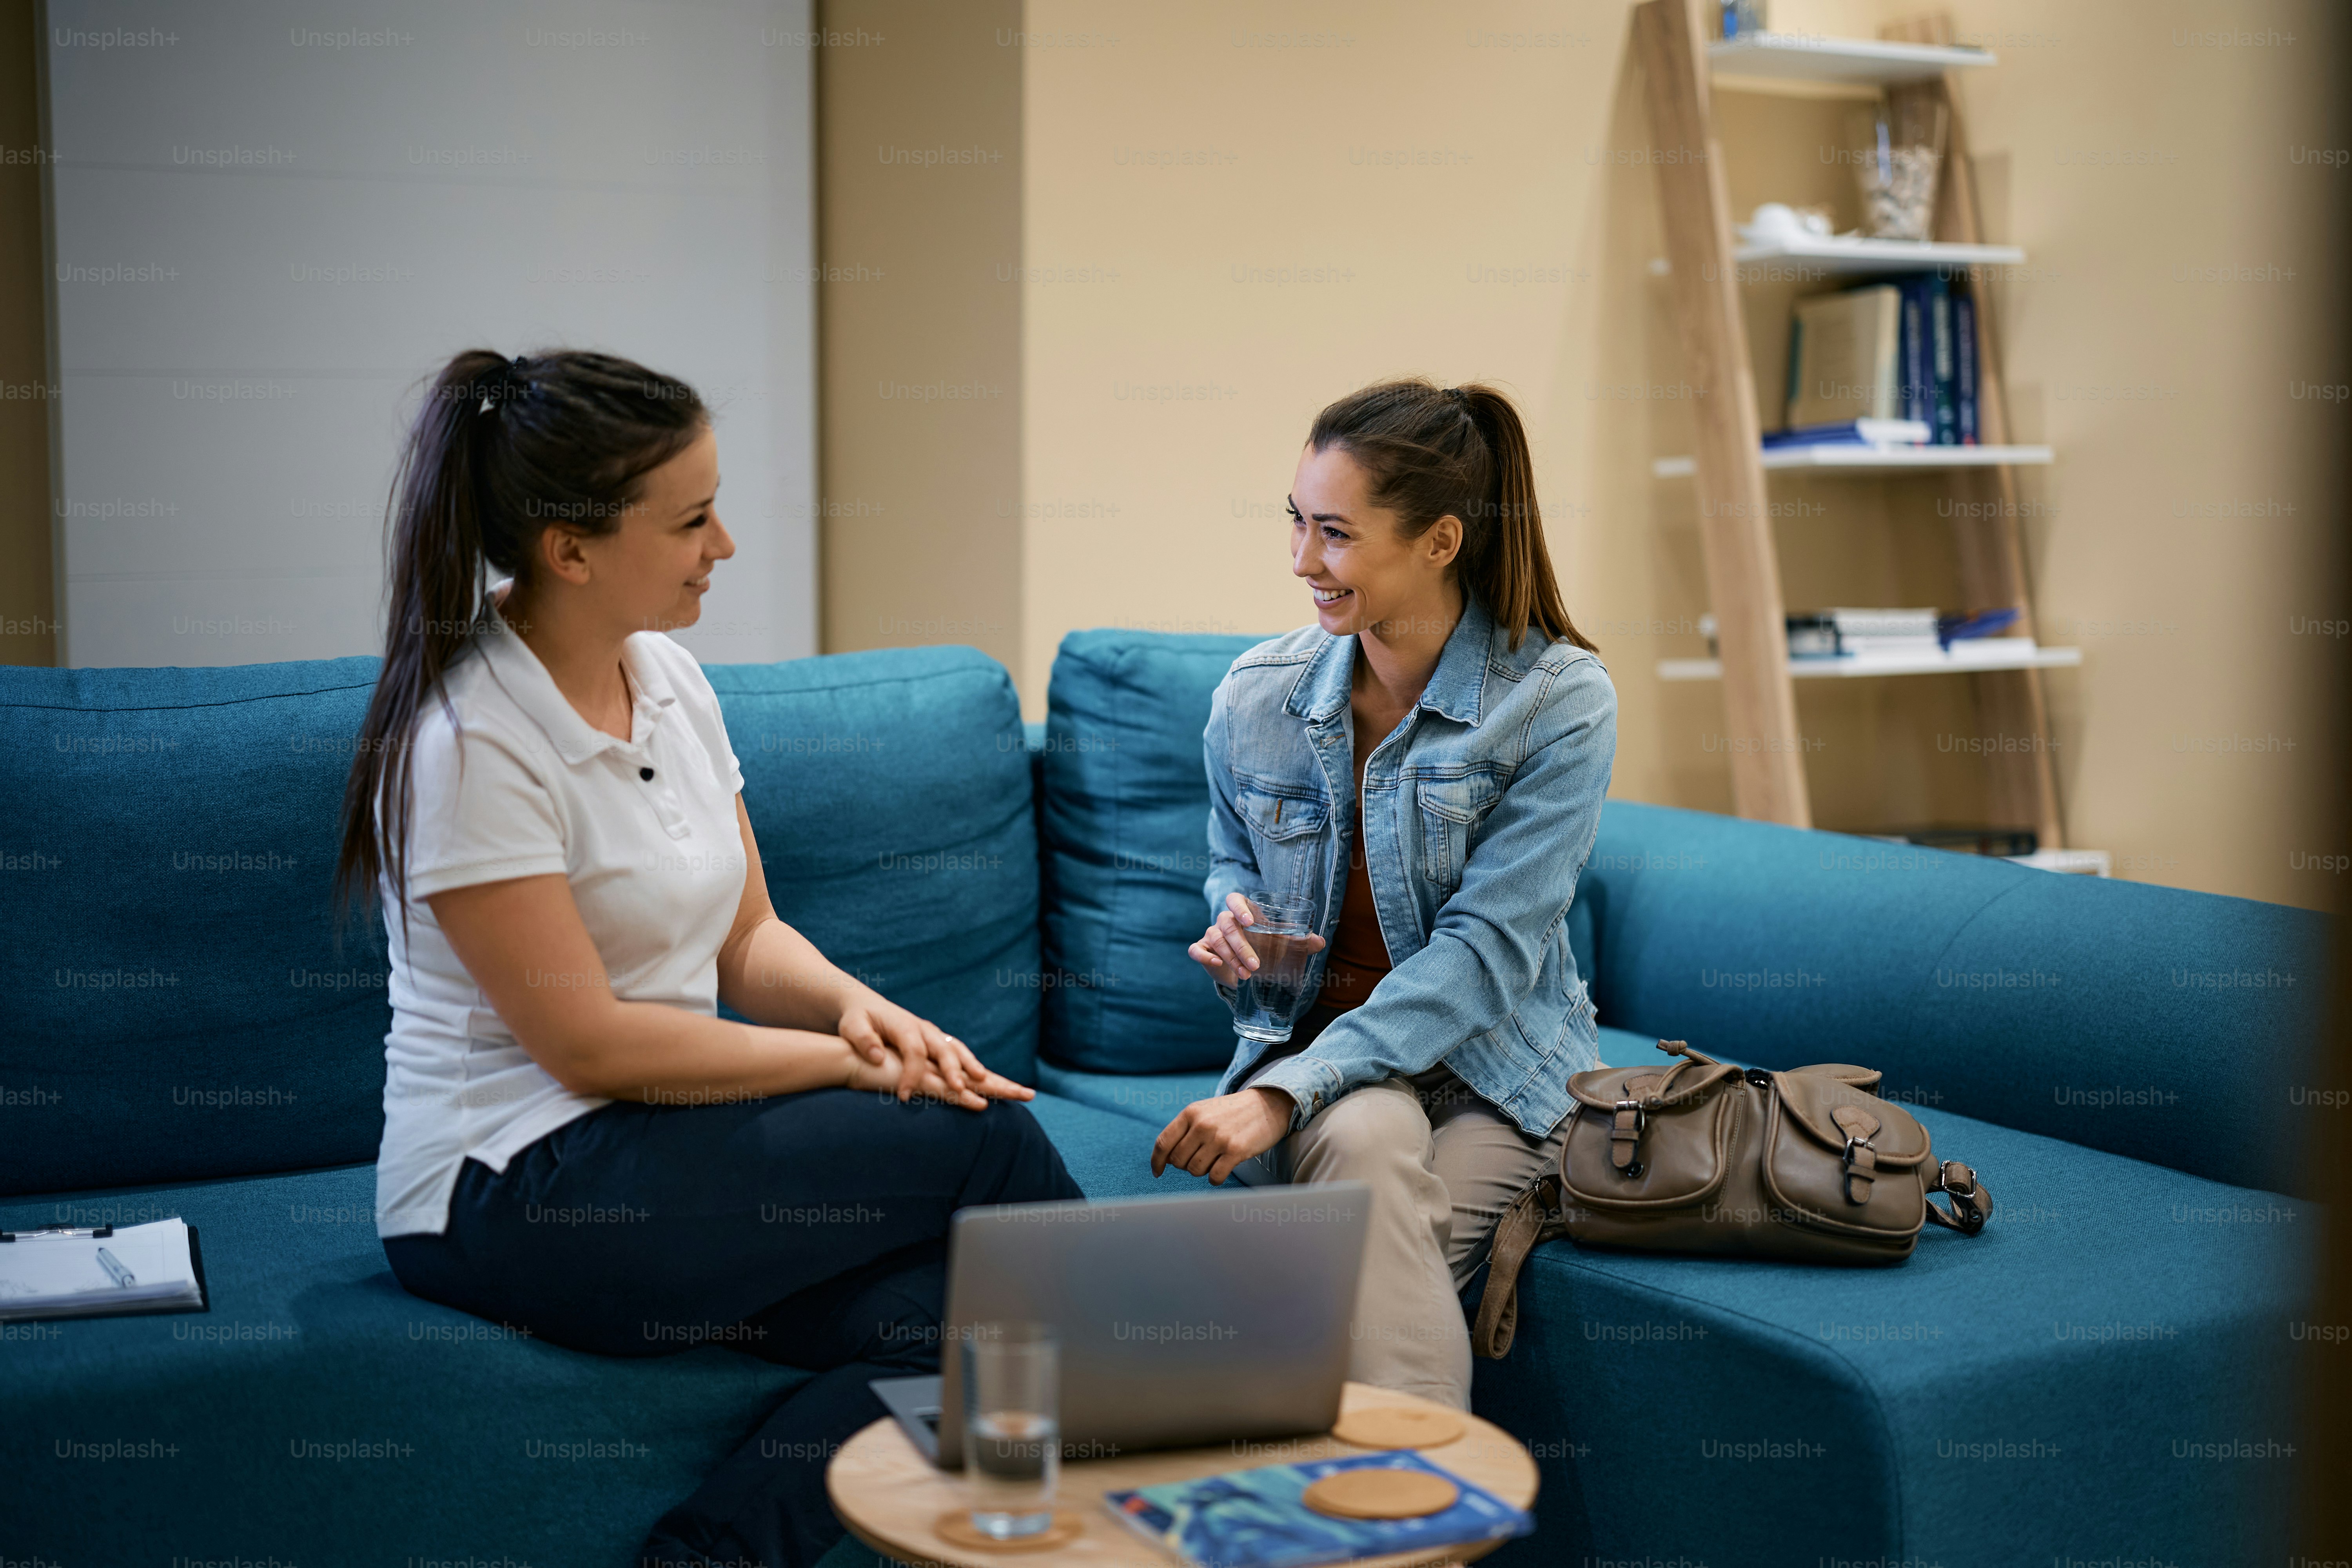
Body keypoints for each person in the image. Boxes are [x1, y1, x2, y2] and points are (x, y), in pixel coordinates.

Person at [330, 348, 1082, 1568]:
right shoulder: (472, 743)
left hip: (663, 1160)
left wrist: (864, 1011)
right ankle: (1095, 1512)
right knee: (985, 1139)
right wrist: (842, 1067)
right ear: (570, 548)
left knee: (964, 1321)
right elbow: (590, 1045)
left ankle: (708, 1558)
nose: (724, 544)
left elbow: (746, 937)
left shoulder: (669, 679)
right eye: (690, 520)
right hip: (511, 1192)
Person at [1150, 378, 1617, 1410]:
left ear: (1441, 542)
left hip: (1496, 1074)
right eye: (1296, 523)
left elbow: (1489, 953)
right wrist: (1235, 922)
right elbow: (1230, 859)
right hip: (1329, 1061)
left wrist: (1278, 1097)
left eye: (1336, 534)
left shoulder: (1556, 703)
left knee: (1351, 1258)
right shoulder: (1256, 696)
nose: (1301, 561)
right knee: (1365, 1143)